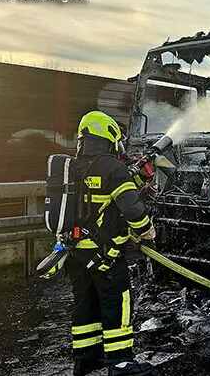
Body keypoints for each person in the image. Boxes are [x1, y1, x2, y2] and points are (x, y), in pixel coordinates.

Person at [67, 111, 155, 376]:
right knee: (116, 303)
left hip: (75, 253)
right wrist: (147, 231)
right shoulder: (113, 168)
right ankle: (121, 363)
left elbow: (103, 198)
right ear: (108, 136)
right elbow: (132, 209)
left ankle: (85, 359)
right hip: (106, 255)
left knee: (85, 303)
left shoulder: (72, 166)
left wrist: (137, 177)